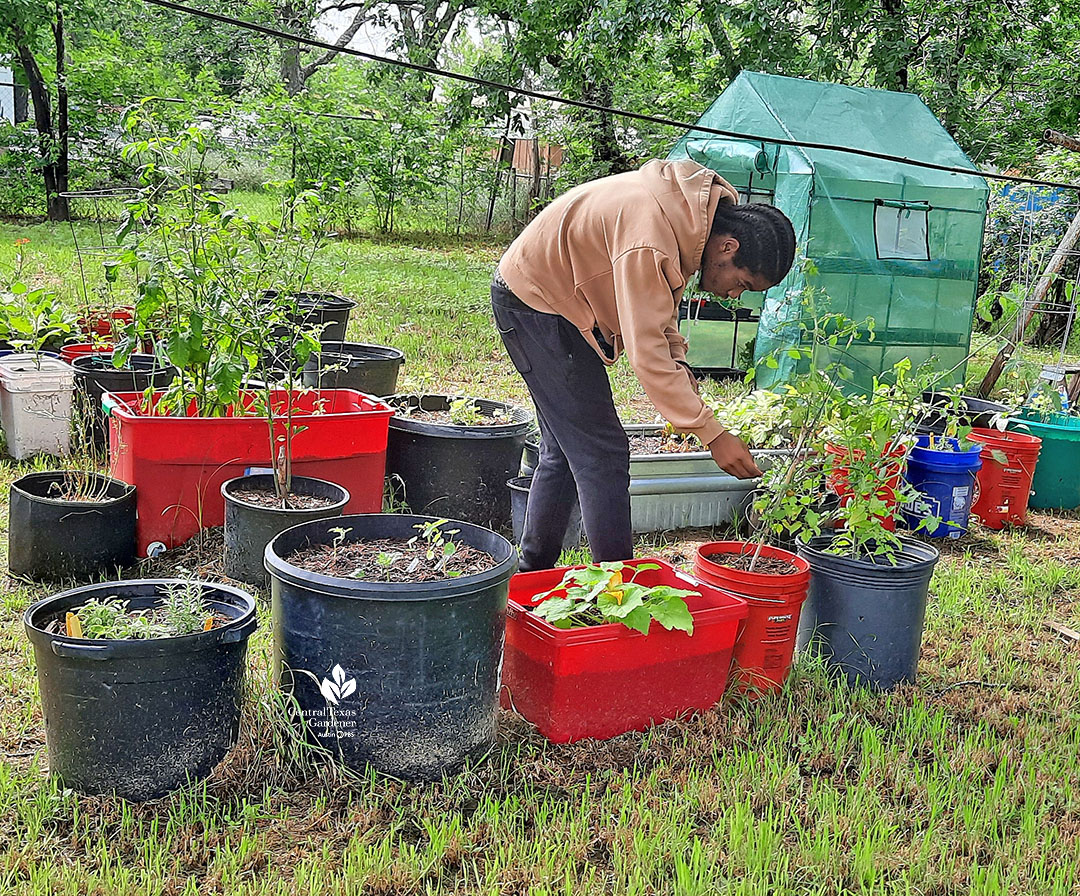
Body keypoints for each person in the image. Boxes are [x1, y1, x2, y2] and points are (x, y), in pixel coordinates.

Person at [492, 158, 796, 571]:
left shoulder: (684, 219)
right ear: (729, 248)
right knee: (603, 454)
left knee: (567, 450)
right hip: (536, 302)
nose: (734, 295)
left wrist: (683, 377)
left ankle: (532, 574)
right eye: (742, 283)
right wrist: (712, 434)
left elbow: (659, 314)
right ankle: (620, 593)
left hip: (553, 299)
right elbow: (647, 350)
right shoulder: (652, 237)